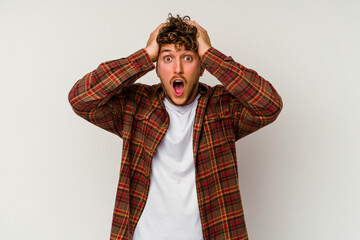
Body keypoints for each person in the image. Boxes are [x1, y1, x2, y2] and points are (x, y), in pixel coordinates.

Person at [69, 14, 282, 240]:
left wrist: (209, 53)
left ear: (202, 68)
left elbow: (269, 104)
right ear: (157, 68)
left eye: (188, 58)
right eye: (167, 58)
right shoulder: (136, 105)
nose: (178, 69)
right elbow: (81, 98)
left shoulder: (222, 107)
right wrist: (145, 54)